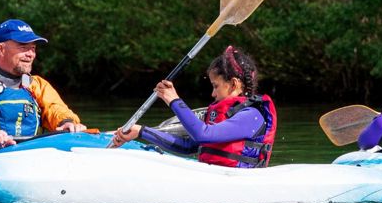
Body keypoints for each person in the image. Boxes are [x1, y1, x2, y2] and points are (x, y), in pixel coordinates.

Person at [110, 45, 277, 167]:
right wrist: (141, 131)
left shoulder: (252, 116)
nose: (213, 94)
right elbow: (189, 146)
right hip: (217, 180)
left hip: (238, 196)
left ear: (233, 84)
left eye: (216, 86)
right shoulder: (223, 113)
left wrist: (174, 100)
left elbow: (203, 134)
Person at [0, 19, 87, 152]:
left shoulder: (38, 85)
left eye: (33, 48)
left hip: (32, 157)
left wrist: (67, 122)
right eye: (23, 47)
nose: (30, 54)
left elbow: (55, 109)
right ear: (1, 49)